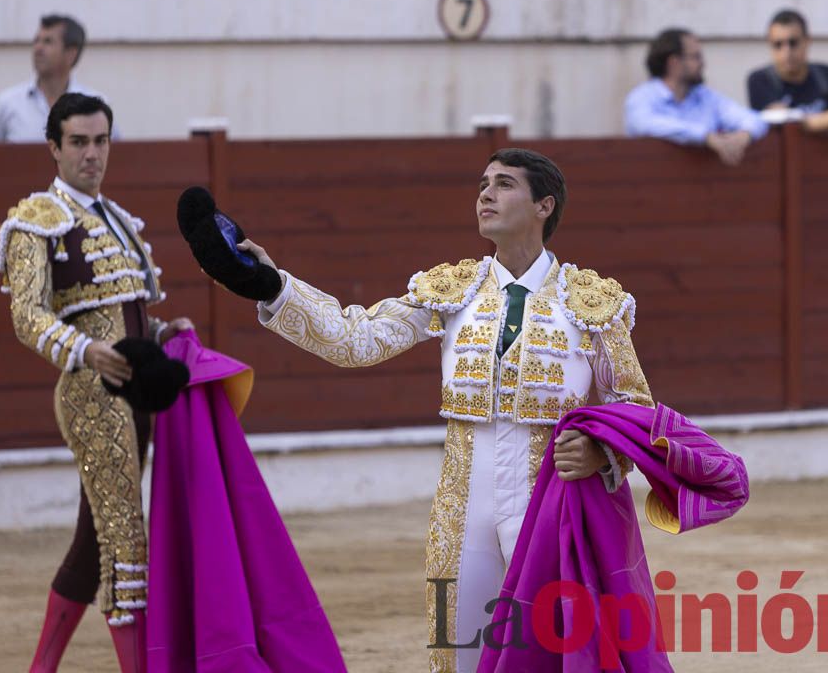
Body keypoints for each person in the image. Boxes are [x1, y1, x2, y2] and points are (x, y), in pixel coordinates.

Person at [238, 147, 654, 673]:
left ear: (544, 205)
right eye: (483, 183)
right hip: (460, 510)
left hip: (550, 504)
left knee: (550, 655)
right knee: (454, 652)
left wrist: (602, 452)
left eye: (504, 184)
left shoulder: (590, 301)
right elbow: (355, 339)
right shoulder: (449, 291)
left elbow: (634, 403)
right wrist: (275, 287)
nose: (486, 193)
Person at [0, 93, 191, 672]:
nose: (92, 154)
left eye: (100, 140)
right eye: (79, 142)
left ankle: (41, 668)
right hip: (90, 396)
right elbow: (27, 315)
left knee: (93, 543)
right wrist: (84, 350)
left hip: (134, 399)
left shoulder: (119, 221)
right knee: (128, 542)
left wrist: (160, 333)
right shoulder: (35, 219)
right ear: (53, 147)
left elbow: (122, 314)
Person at [624, 27, 768, 165]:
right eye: (695, 57)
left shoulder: (706, 96)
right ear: (674, 63)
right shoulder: (641, 98)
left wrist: (744, 135)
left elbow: (754, 119)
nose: (703, 64)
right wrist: (706, 137)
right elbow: (645, 124)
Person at [747, 8, 828, 140]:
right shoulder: (760, 80)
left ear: (807, 41)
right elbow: (788, 122)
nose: (786, 52)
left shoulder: (826, 74)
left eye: (793, 43)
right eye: (778, 45)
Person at [0, 14, 119, 143]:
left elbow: (115, 156)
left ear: (71, 53)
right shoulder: (7, 103)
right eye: (36, 40)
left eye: (48, 42)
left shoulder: (97, 105)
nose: (38, 48)